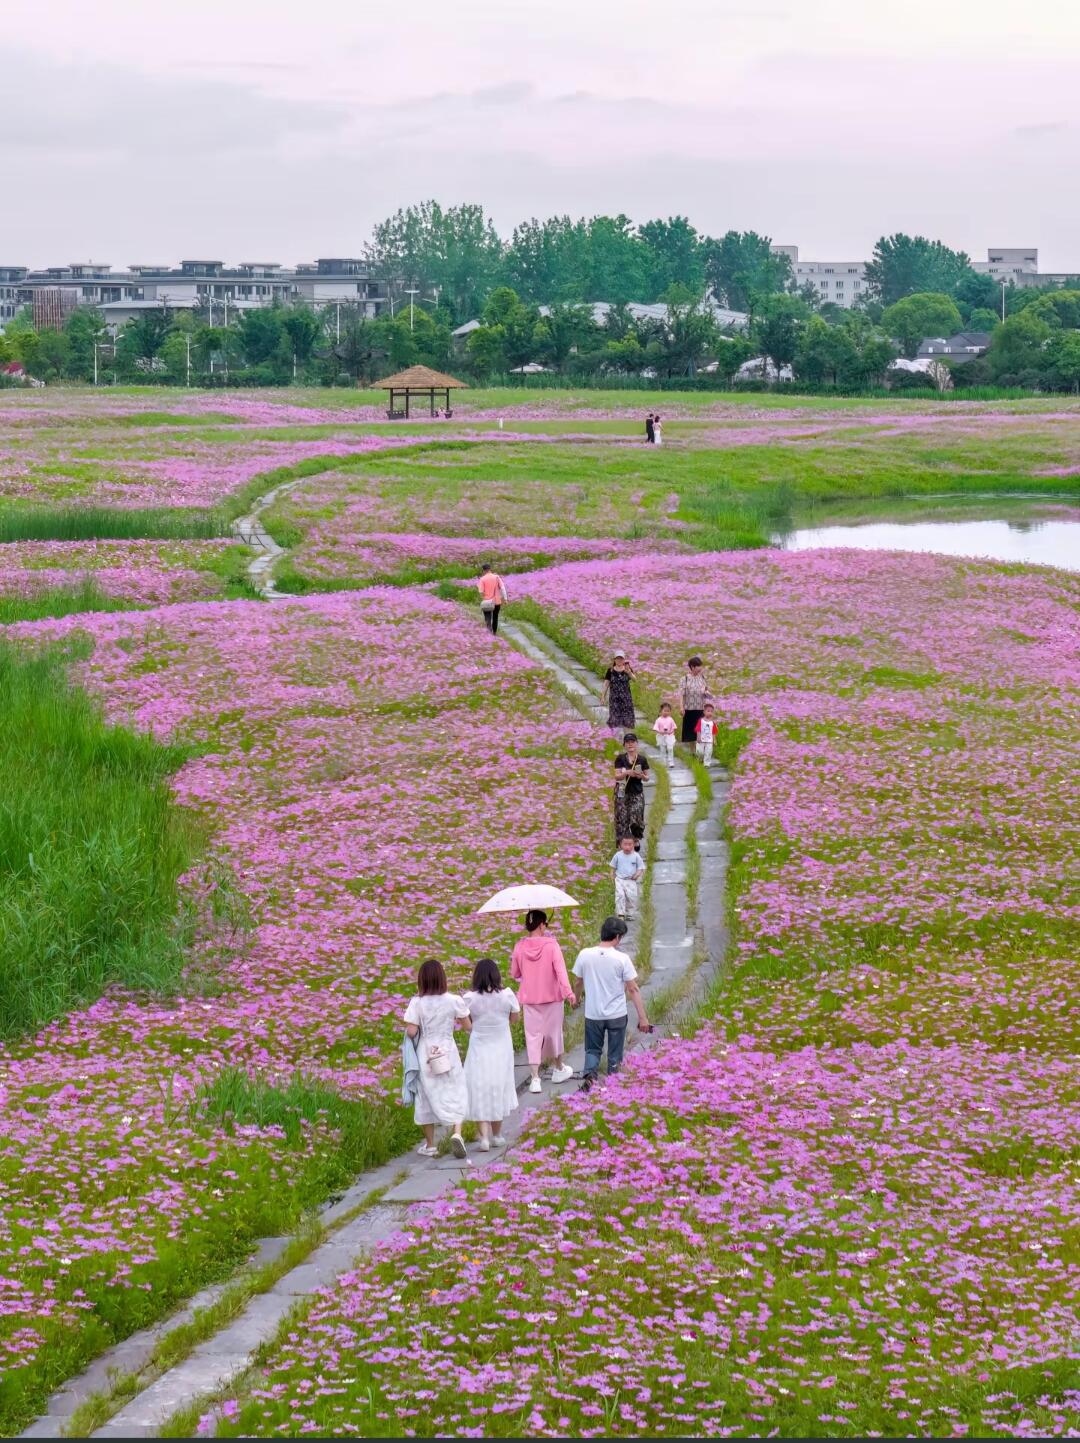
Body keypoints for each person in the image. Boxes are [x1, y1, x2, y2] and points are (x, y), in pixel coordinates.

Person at [572, 916, 652, 1089]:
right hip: (616, 1013)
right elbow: (633, 989)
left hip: (593, 1013)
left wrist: (576, 999)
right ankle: (613, 1086)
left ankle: (590, 1078)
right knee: (615, 1054)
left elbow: (578, 982)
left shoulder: (584, 955)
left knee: (592, 1050)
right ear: (617, 937)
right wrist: (643, 1017)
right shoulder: (621, 959)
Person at [403, 959, 471, 1159]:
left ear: (422, 980)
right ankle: (457, 1133)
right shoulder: (453, 1000)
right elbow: (467, 1026)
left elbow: (411, 1031)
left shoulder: (417, 1003)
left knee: (425, 1096)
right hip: (448, 1051)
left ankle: (430, 1144)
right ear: (443, 977)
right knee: (456, 1090)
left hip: (427, 1054)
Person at [510, 910, 576, 1093]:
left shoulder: (519, 946)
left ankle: (535, 1078)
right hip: (553, 998)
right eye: (545, 924)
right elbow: (561, 972)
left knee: (532, 1036)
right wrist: (569, 993)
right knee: (554, 1034)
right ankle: (558, 1068)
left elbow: (514, 973)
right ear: (541, 925)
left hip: (530, 999)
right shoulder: (552, 945)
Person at [464, 958, 519, 1151]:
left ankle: (483, 1137)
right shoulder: (507, 995)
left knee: (479, 1087)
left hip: (479, 1046)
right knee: (499, 1086)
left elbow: (467, 1023)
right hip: (502, 1046)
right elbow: (514, 1018)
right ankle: (496, 1135)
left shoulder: (469, 998)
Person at [613, 732, 650, 847]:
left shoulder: (642, 759)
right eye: (627, 742)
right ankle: (622, 842)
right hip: (622, 790)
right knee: (622, 817)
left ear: (636, 744)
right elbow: (616, 776)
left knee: (636, 815)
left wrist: (641, 776)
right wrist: (627, 773)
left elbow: (647, 777)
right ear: (624, 745)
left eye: (632, 742)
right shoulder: (620, 759)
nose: (630, 744)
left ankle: (635, 839)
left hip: (636, 791)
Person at [601, 650, 636, 736]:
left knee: (627, 720)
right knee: (614, 719)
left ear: (624, 660)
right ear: (614, 660)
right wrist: (602, 696)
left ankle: (628, 738)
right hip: (614, 700)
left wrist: (629, 673)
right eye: (617, 658)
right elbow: (606, 684)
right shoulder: (610, 671)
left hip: (626, 700)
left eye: (621, 659)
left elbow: (635, 679)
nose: (619, 660)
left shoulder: (628, 669)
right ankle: (614, 738)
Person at [678, 656, 712, 744]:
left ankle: (700, 749)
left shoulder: (703, 678)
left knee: (700, 729)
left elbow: (706, 690)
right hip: (689, 708)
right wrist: (681, 707)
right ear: (692, 667)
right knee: (690, 730)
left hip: (700, 708)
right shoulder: (684, 679)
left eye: (701, 666)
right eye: (698, 666)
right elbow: (681, 694)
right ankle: (692, 751)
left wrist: (707, 693)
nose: (700, 668)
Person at [610, 836, 645, 919]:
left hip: (631, 880)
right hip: (620, 879)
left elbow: (640, 868)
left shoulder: (636, 856)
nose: (627, 847)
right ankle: (620, 913)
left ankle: (630, 913)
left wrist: (637, 875)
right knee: (620, 895)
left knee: (631, 897)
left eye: (630, 844)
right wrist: (612, 875)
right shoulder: (617, 856)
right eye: (625, 844)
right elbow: (613, 867)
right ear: (620, 845)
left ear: (634, 845)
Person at [477, 563, 508, 635]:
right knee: (495, 617)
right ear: (490, 569)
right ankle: (494, 633)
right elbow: (503, 588)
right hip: (497, 601)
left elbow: (481, 592)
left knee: (488, 617)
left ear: (483, 570)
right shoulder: (497, 577)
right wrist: (505, 599)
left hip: (487, 602)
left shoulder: (482, 579)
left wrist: (484, 597)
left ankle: (489, 631)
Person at [695, 702, 719, 766]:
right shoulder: (701, 720)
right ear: (704, 712)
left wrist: (714, 740)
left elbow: (714, 732)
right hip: (701, 739)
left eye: (711, 711)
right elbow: (698, 729)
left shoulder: (712, 722)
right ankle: (700, 759)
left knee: (708, 752)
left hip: (709, 740)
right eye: (708, 711)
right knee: (700, 751)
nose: (710, 713)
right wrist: (698, 737)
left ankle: (707, 763)